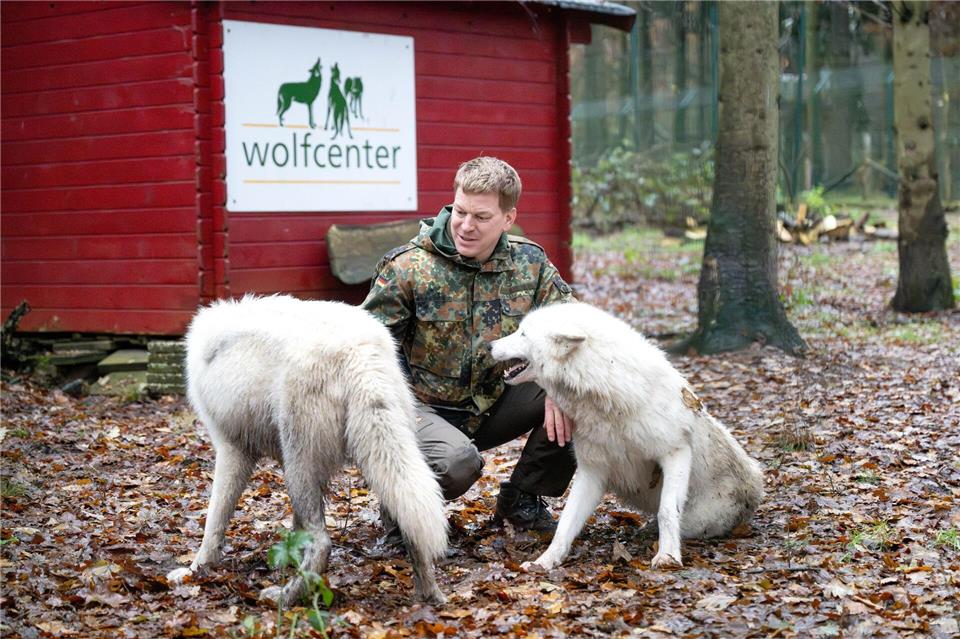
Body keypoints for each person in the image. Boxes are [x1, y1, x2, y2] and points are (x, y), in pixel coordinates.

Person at [361, 156, 576, 534]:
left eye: (481, 217)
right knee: (458, 464)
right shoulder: (409, 267)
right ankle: (401, 510)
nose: (465, 226)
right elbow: (361, 349)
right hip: (423, 411)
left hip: (494, 402)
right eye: (460, 211)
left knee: (583, 392)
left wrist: (561, 382)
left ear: (508, 219)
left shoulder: (530, 264)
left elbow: (574, 326)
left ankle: (522, 498)